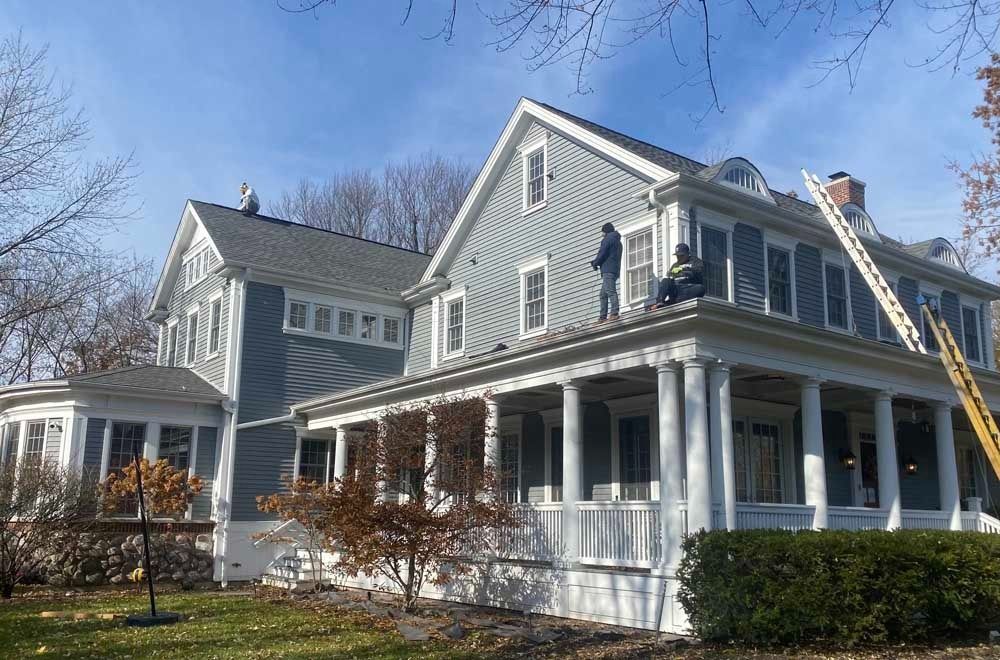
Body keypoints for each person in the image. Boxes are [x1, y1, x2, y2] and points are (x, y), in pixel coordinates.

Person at [654, 243, 705, 308]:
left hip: (687, 287)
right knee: (665, 281)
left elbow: (698, 272)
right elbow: (669, 277)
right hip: (676, 290)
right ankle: (659, 301)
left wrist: (683, 269)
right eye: (677, 256)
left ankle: (672, 302)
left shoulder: (695, 261)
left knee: (700, 288)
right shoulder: (675, 265)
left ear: (687, 253)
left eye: (681, 256)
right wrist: (670, 273)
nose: (679, 258)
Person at [591, 222, 622, 322]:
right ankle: (602, 316)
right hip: (615, 270)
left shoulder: (607, 239)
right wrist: (596, 262)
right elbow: (609, 255)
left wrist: (595, 263)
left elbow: (602, 253)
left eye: (602, 232)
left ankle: (614, 312)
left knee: (610, 291)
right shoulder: (618, 242)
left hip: (608, 270)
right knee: (603, 294)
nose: (602, 234)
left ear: (606, 231)